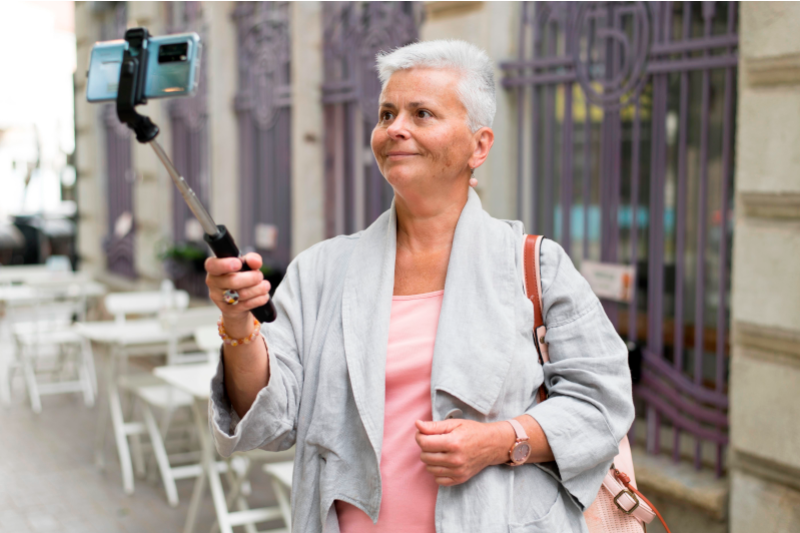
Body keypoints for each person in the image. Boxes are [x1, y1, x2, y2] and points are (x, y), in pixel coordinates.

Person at [205, 40, 634, 533]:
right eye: (387, 114)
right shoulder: (321, 271)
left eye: (422, 113)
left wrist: (501, 440)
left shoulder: (536, 267)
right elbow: (269, 421)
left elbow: (603, 405)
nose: (396, 129)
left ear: (479, 145)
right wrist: (238, 324)